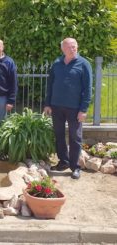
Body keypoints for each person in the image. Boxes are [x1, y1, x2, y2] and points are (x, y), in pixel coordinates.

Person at [44, 37, 92, 179]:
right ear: (62, 49)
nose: (72, 49)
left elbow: (87, 89)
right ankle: (63, 162)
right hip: (56, 106)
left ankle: (75, 167)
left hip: (75, 108)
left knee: (75, 137)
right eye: (68, 47)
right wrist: (47, 103)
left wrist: (83, 109)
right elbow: (50, 84)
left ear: (77, 47)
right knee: (59, 135)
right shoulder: (57, 63)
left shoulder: (84, 64)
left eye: (74, 46)